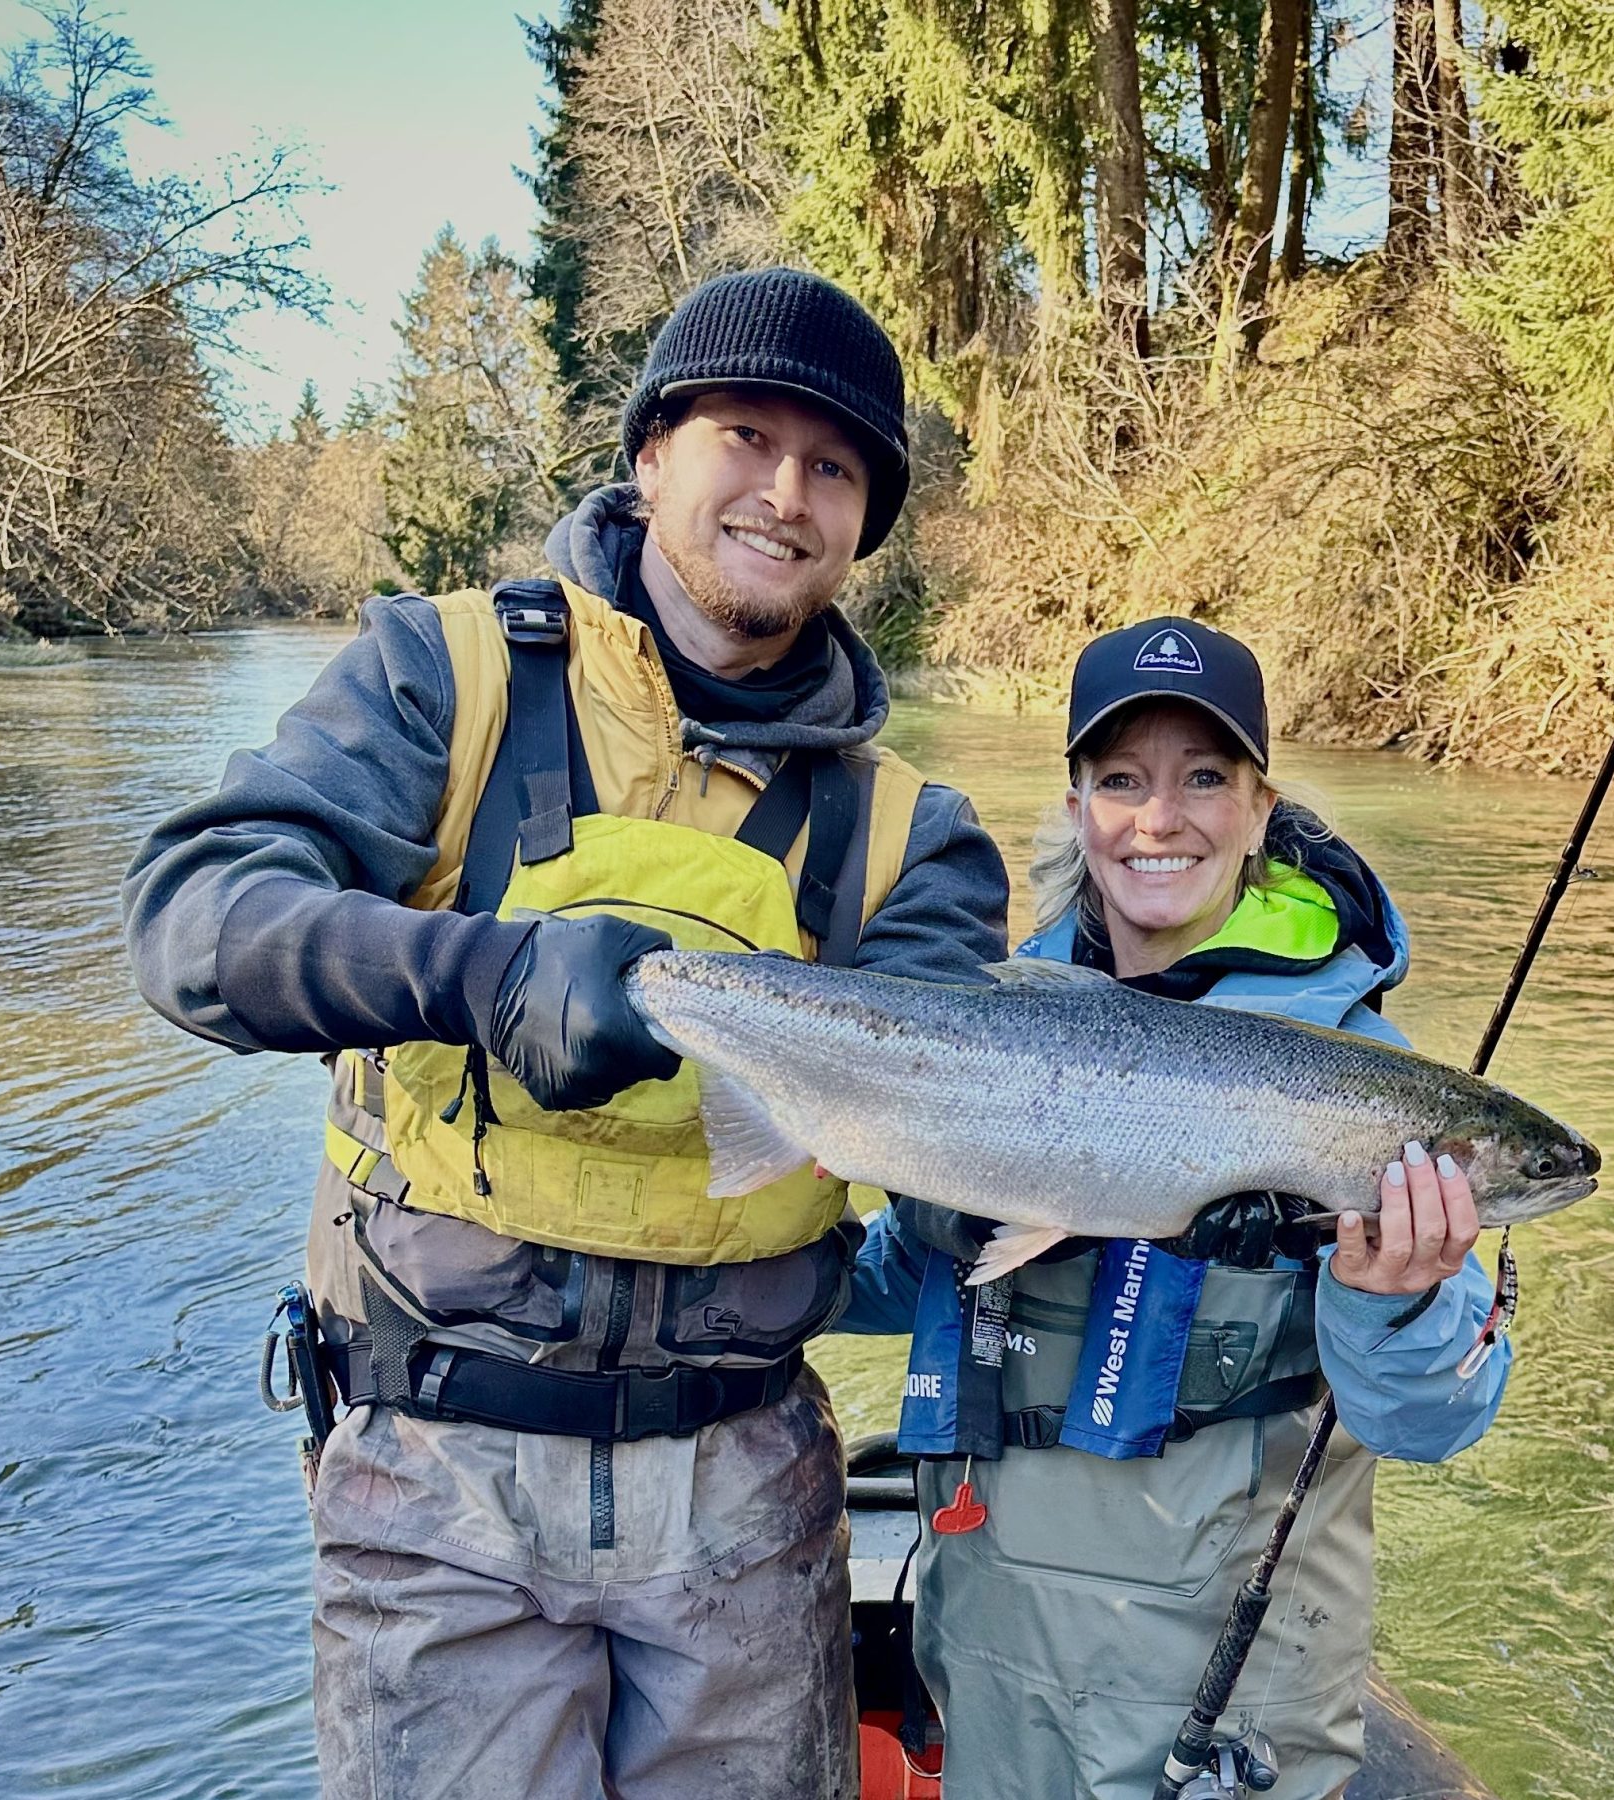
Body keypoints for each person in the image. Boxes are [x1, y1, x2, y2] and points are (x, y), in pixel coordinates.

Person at [122, 268, 1009, 1799]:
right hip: (429, 1475)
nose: (785, 494)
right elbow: (196, 923)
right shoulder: (438, 671)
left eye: (835, 468)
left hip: (748, 1493)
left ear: (864, 524)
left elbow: (946, 1166)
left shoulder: (916, 835)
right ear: (651, 454)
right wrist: (480, 977)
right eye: (745, 437)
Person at [838, 615, 1515, 1800]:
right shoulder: (992, 1017)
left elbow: (1431, 1423)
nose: (1160, 818)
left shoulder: (1360, 1077)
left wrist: (1387, 1304)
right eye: (1122, 780)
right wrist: (733, 1269)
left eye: (1205, 776)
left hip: (1221, 1688)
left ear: (1261, 808)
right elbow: (905, 1278)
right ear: (1078, 808)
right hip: (989, 1651)